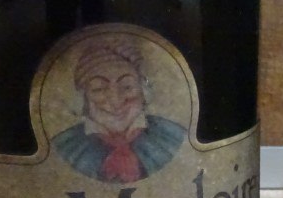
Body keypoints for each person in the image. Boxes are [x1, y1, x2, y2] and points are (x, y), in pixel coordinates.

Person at [52, 38, 186, 183]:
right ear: (83, 98)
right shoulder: (64, 147)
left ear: (143, 90)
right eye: (99, 89)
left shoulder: (173, 137)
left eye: (127, 86)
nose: (116, 101)